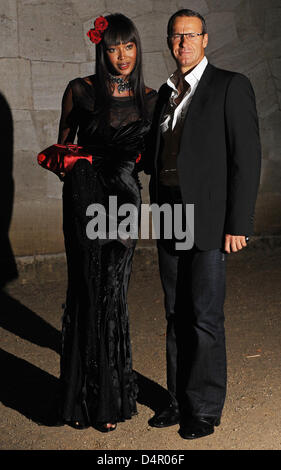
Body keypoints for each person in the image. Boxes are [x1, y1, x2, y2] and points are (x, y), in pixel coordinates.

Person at [146, 9, 261, 439]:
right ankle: (178, 400)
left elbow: (246, 160)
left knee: (205, 316)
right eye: (176, 37)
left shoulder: (231, 86)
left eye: (191, 35)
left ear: (206, 40)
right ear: (170, 42)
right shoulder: (165, 93)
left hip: (210, 221)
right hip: (169, 215)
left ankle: (206, 408)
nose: (183, 44)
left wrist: (239, 224)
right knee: (175, 312)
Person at [57, 13, 157, 432]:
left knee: (113, 293)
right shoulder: (79, 90)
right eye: (113, 48)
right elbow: (63, 149)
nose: (121, 56)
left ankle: (108, 402)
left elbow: (154, 158)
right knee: (86, 287)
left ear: (137, 47)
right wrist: (83, 174)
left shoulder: (152, 99)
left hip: (124, 201)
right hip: (84, 198)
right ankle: (79, 401)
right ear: (102, 50)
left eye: (128, 46)